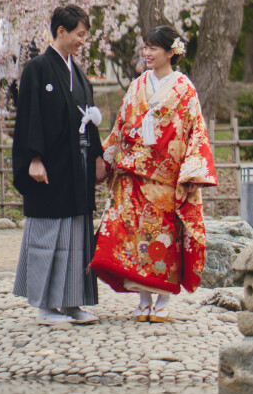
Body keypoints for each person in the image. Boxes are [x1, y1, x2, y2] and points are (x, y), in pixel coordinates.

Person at [91, 25, 217, 322]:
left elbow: (195, 132)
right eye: (145, 47)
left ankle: (162, 298)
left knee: (164, 239)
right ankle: (144, 297)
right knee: (135, 237)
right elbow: (120, 126)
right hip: (134, 174)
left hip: (166, 178)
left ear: (171, 52)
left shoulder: (185, 89)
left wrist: (190, 171)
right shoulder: (137, 86)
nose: (147, 53)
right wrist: (106, 160)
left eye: (153, 48)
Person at [12, 4, 105, 327]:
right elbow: (29, 117)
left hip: (76, 164)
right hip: (50, 164)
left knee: (77, 233)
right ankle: (45, 306)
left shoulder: (77, 73)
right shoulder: (37, 68)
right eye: (79, 35)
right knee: (49, 231)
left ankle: (72, 302)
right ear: (61, 32)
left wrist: (97, 157)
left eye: (85, 36)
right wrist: (33, 159)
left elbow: (88, 120)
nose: (82, 41)